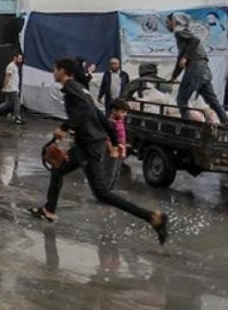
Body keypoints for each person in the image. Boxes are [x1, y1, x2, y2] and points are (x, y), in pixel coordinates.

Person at [29, 58, 169, 245]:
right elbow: (98, 115)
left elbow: (83, 112)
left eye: (55, 69)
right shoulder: (81, 89)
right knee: (58, 169)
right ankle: (49, 209)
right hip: (85, 144)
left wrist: (64, 127)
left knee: (102, 193)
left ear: (63, 71)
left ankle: (152, 217)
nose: (53, 72)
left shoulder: (71, 88)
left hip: (89, 146)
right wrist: (115, 140)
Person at [167, 13, 228, 124]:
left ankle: (189, 127)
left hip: (194, 69)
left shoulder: (179, 31)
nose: (167, 25)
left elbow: (195, 41)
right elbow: (181, 58)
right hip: (204, 68)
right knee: (212, 101)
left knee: (181, 100)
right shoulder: (185, 32)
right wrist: (174, 75)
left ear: (174, 21)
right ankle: (226, 124)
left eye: (168, 22)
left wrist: (186, 57)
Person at [0, 52, 24, 124]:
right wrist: (4, 86)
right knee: (17, 102)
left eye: (21, 59)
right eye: (19, 58)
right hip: (11, 88)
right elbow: (7, 76)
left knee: (7, 103)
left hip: (12, 87)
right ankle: (16, 118)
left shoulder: (15, 66)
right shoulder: (11, 66)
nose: (20, 60)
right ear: (15, 58)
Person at [105, 99, 129, 190]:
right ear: (113, 111)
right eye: (122, 112)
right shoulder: (110, 123)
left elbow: (122, 137)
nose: (124, 115)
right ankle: (105, 192)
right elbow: (107, 138)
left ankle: (110, 191)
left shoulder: (120, 121)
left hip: (119, 151)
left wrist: (123, 150)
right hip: (112, 151)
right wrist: (111, 151)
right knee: (109, 174)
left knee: (115, 174)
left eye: (125, 112)